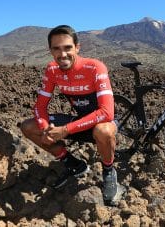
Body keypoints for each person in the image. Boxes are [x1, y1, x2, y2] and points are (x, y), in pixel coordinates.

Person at [20, 25, 124, 204]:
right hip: (79, 122)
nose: (62, 54)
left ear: (77, 47)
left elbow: (107, 112)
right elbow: (40, 106)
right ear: (50, 51)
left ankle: (108, 171)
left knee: (104, 131)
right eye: (56, 49)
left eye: (67, 47)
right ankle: (73, 164)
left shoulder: (95, 68)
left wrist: (66, 130)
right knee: (28, 127)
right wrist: (46, 129)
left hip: (102, 122)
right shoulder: (52, 70)